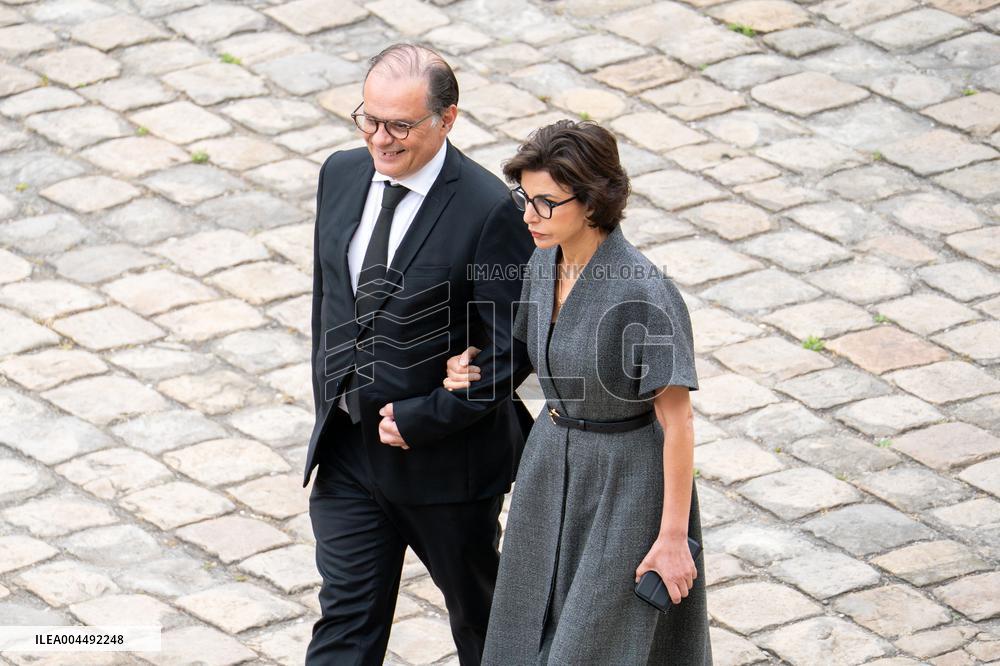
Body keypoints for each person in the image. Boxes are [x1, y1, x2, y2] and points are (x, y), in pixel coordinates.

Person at [443, 120, 712, 664]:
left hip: (625, 484)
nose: (528, 216)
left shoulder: (645, 293)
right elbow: (534, 353)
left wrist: (673, 538)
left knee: (589, 649)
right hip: (548, 473)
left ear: (593, 201)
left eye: (546, 202)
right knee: (527, 638)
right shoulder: (543, 261)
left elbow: (678, 423)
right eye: (525, 197)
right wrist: (470, 368)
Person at [304, 43, 535, 665]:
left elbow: (513, 346)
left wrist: (426, 416)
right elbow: (333, 296)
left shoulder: (492, 211)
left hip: (447, 469)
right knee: (344, 626)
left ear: (448, 119)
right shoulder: (341, 173)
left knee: (484, 629)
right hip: (350, 451)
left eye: (401, 125)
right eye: (369, 119)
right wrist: (334, 392)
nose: (381, 138)